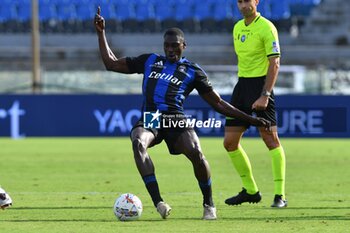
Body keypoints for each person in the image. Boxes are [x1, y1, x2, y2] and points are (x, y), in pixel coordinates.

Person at [94, 7, 270, 220]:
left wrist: (251, 119)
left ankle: (209, 204)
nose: (170, 49)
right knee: (138, 142)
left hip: (175, 118)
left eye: (175, 46)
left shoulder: (193, 71)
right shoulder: (150, 61)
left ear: (183, 46)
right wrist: (101, 33)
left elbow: (219, 104)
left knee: (196, 152)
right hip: (152, 117)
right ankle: (158, 202)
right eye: (166, 45)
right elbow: (111, 63)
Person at [223, 0, 287, 208]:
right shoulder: (237, 27)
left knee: (270, 139)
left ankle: (280, 195)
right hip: (241, 86)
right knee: (230, 143)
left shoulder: (267, 27)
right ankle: (250, 190)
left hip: (261, 87)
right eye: (239, 1)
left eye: (247, 1)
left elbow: (274, 63)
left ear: (256, 1)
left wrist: (265, 94)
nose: (243, 5)